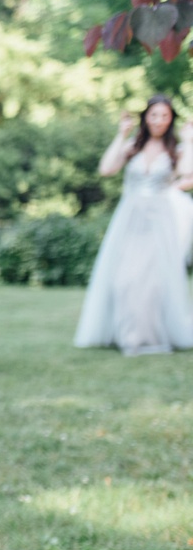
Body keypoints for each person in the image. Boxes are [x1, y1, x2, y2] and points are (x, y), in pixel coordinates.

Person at [74, 95, 193, 355]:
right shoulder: (133, 147)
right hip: (130, 218)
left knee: (154, 282)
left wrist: (189, 140)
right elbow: (106, 169)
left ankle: (146, 338)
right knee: (124, 279)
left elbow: (188, 174)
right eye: (154, 115)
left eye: (165, 116)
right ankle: (125, 332)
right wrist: (121, 135)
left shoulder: (177, 150)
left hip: (161, 219)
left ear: (171, 119)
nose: (159, 121)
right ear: (146, 117)